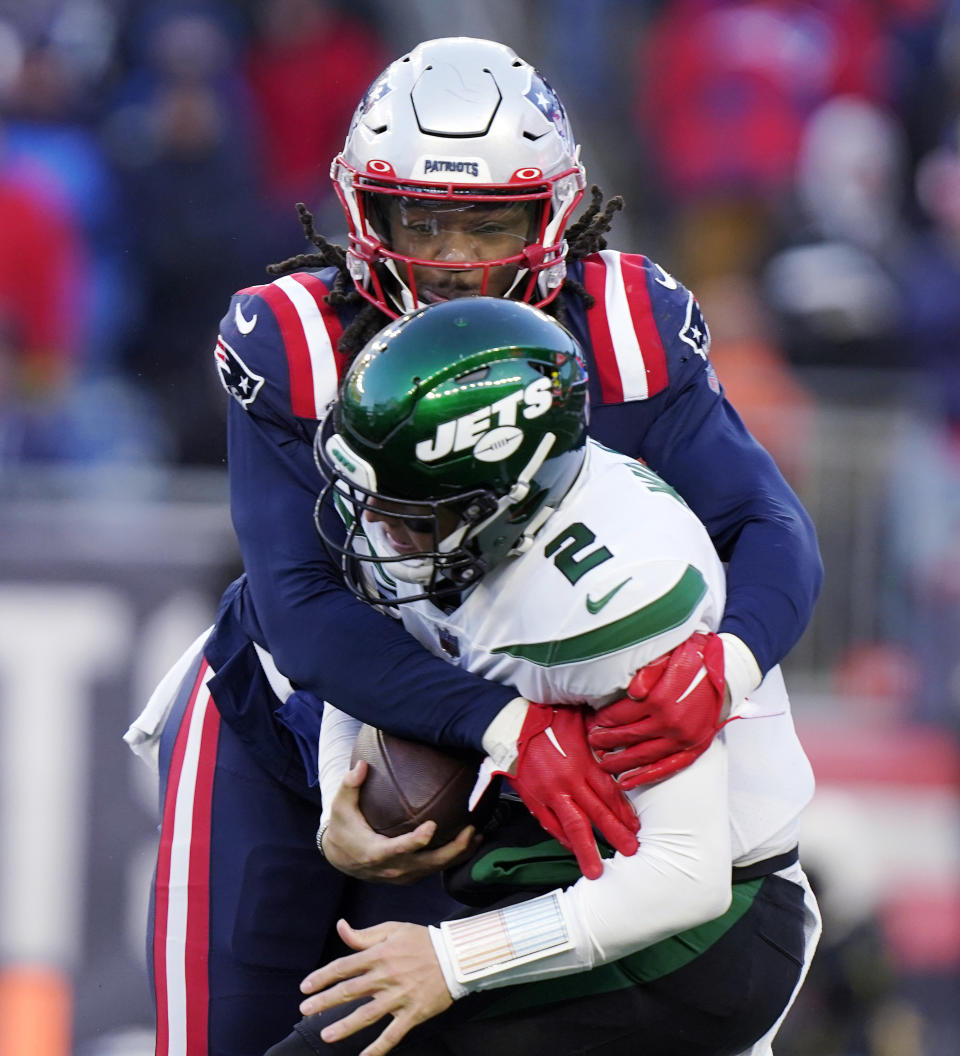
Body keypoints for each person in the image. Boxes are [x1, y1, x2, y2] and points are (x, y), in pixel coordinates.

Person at [124, 37, 822, 1056]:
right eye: (424, 219)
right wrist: (487, 732)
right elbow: (303, 608)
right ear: (365, 213)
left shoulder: (628, 326)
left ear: (554, 214)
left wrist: (731, 658)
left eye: (488, 222)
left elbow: (768, 528)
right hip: (290, 724)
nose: (453, 259)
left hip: (524, 780)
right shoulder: (294, 339)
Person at [265, 296, 822, 1056]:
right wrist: (342, 791)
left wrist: (452, 963)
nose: (378, 530)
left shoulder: (618, 597)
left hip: (706, 932)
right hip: (566, 879)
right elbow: (378, 662)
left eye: (408, 513)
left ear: (502, 496)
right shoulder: (450, 517)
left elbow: (685, 877)